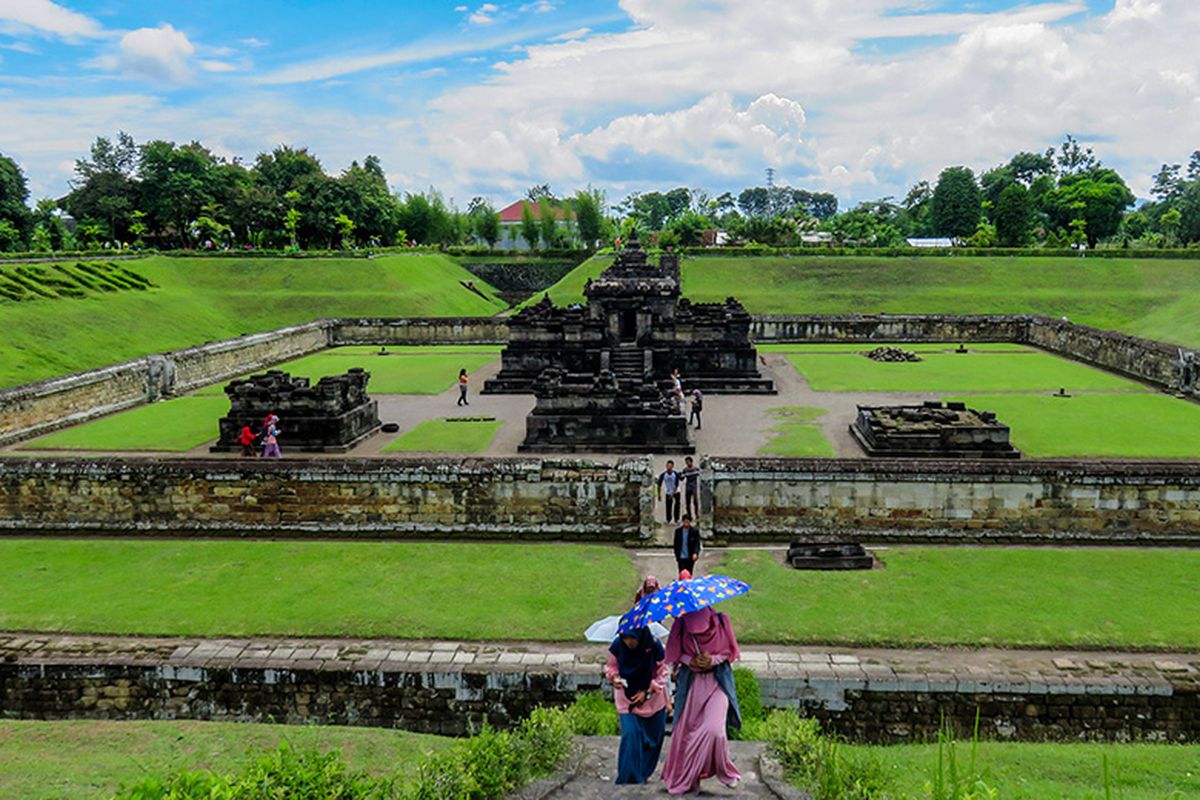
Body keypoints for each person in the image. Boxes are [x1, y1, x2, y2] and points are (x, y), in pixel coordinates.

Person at [661, 607, 743, 794]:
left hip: (717, 684)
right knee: (687, 733)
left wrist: (711, 660)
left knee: (715, 731)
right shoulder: (681, 625)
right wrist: (690, 660)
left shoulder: (721, 622)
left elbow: (729, 652)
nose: (699, 634)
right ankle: (691, 776)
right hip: (692, 686)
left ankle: (726, 772)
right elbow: (674, 653)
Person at [606, 628, 669, 785]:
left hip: (653, 699)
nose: (629, 642)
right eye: (625, 638)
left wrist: (648, 690)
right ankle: (629, 780)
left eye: (632, 638)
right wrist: (614, 678)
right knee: (631, 735)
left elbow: (664, 670)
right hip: (627, 698)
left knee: (654, 739)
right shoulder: (618, 646)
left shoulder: (653, 645)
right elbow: (611, 666)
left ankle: (644, 773)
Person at [655, 460, 682, 524]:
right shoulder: (663, 475)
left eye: (670, 466)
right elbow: (659, 485)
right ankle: (668, 519)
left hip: (676, 491)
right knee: (668, 506)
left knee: (677, 505)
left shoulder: (675, 474)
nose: (669, 467)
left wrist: (673, 494)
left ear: (672, 466)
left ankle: (676, 519)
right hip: (668, 491)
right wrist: (659, 494)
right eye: (668, 466)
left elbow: (676, 484)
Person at [679, 456, 701, 520]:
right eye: (686, 462)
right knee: (688, 502)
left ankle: (696, 514)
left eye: (688, 462)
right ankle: (689, 515)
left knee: (695, 501)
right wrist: (680, 475)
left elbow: (701, 474)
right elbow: (681, 479)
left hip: (694, 486)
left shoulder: (696, 469)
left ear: (691, 462)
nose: (687, 464)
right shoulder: (685, 470)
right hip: (688, 487)